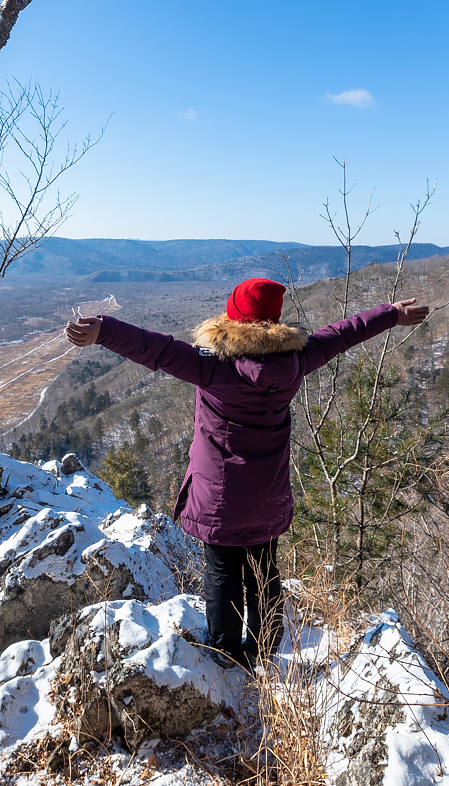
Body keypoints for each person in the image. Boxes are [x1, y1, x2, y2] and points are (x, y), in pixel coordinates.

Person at [65, 278, 428, 670]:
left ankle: (225, 653)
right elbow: (342, 333)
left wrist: (104, 330)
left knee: (222, 572)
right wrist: (391, 314)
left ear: (234, 318)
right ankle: (264, 650)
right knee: (264, 570)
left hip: (221, 500)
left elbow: (158, 350)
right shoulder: (297, 359)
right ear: (274, 320)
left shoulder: (214, 368)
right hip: (268, 495)